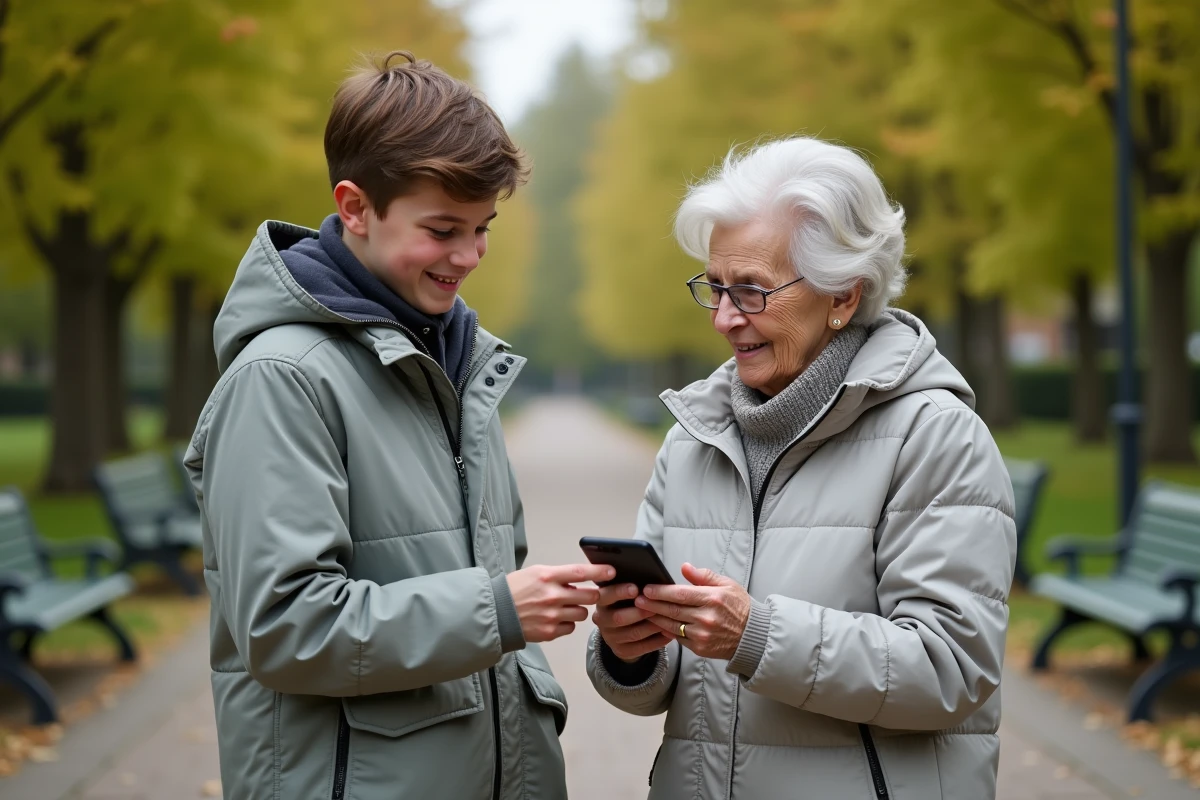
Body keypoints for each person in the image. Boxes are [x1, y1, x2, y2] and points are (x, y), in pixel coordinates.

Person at [184, 52, 612, 800]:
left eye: (482, 229)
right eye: (443, 229)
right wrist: (500, 610)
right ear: (355, 208)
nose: (469, 256)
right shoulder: (281, 379)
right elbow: (285, 629)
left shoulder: (457, 365)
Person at [587, 136, 1016, 799]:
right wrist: (629, 648)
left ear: (842, 295)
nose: (724, 319)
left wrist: (757, 635)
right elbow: (660, 684)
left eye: (751, 291)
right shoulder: (693, 439)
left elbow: (950, 669)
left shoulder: (935, 436)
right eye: (715, 287)